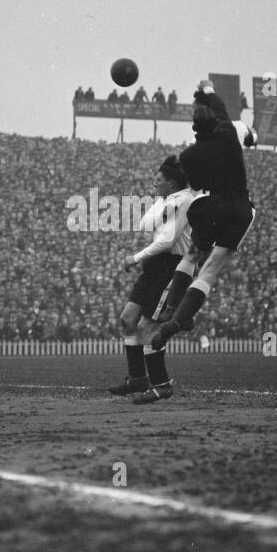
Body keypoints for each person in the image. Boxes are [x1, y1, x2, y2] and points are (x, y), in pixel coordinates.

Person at [151, 83, 255, 350]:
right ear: (217, 122)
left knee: (192, 255)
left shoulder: (189, 155)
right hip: (239, 207)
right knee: (211, 270)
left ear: (195, 129)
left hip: (211, 205)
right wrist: (207, 88)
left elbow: (196, 186)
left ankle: (172, 308)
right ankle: (177, 321)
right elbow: (220, 107)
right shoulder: (230, 133)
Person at [108, 156, 201, 403]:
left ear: (171, 183)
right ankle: (137, 379)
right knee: (128, 319)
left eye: (158, 179)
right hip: (157, 265)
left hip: (174, 265)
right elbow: (144, 224)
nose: (153, 183)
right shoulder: (167, 200)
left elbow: (166, 240)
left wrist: (135, 258)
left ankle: (161, 384)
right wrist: (161, 203)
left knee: (147, 328)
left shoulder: (184, 201)